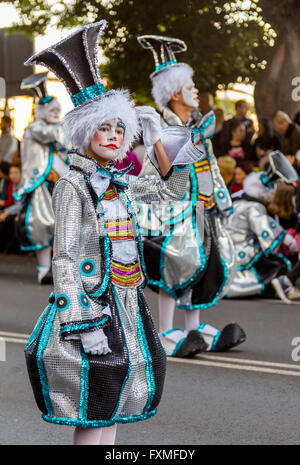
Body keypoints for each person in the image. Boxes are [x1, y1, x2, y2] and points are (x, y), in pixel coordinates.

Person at [23, 20, 212, 446]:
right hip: (92, 309)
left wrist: (159, 135)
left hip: (126, 302)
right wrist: (82, 321)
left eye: (118, 129)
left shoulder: (119, 180)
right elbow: (66, 258)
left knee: (115, 402)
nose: (112, 136)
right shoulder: (73, 183)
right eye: (103, 128)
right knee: (93, 402)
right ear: (85, 134)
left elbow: (170, 190)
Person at [138, 34, 245, 355]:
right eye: (189, 87)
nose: (196, 91)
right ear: (173, 94)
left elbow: (210, 167)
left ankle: (193, 327)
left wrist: (221, 200)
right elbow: (150, 175)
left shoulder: (199, 126)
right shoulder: (163, 130)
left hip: (203, 208)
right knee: (176, 267)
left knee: (203, 265)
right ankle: (167, 330)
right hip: (176, 212)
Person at [14, 72, 69, 284]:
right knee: (43, 225)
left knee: (63, 225)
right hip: (41, 184)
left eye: (58, 110)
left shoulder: (53, 128)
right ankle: (44, 268)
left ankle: (59, 268)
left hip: (58, 182)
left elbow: (67, 147)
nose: (56, 114)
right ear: (43, 111)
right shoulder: (36, 128)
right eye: (52, 110)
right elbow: (57, 137)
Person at [225, 151, 298, 299]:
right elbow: (266, 234)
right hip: (240, 252)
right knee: (277, 264)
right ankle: (272, 286)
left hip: (227, 251)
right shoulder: (255, 208)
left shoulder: (239, 203)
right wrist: (289, 241)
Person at [0, 164, 22, 252]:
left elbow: (21, 204)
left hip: (23, 212)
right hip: (15, 210)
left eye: (16, 173)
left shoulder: (24, 185)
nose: (13, 176)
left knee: (7, 220)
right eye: (11, 173)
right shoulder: (13, 185)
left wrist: (6, 212)